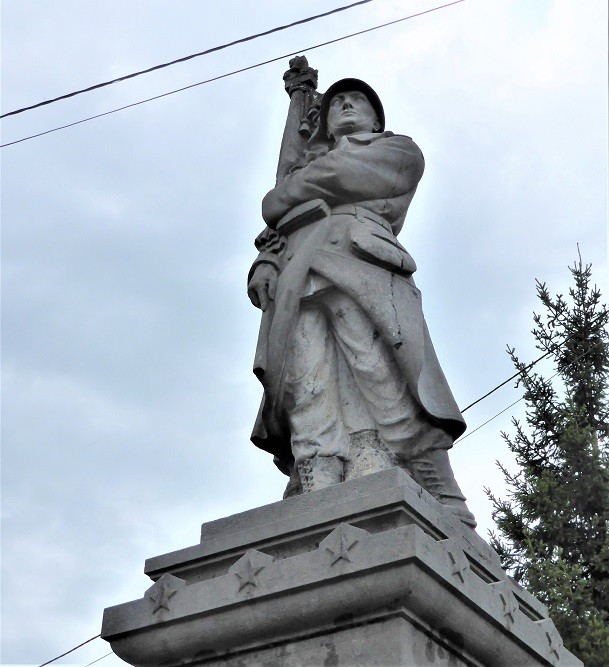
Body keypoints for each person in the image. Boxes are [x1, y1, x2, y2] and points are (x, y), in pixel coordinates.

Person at [247, 78, 476, 528]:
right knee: (304, 377)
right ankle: (318, 470)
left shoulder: (398, 149)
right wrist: (264, 264)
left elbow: (330, 182)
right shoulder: (314, 163)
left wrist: (288, 193)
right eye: (336, 104)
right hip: (299, 270)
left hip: (359, 259)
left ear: (376, 118)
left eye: (357, 101)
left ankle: (389, 462)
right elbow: (274, 226)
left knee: (379, 371)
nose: (346, 105)